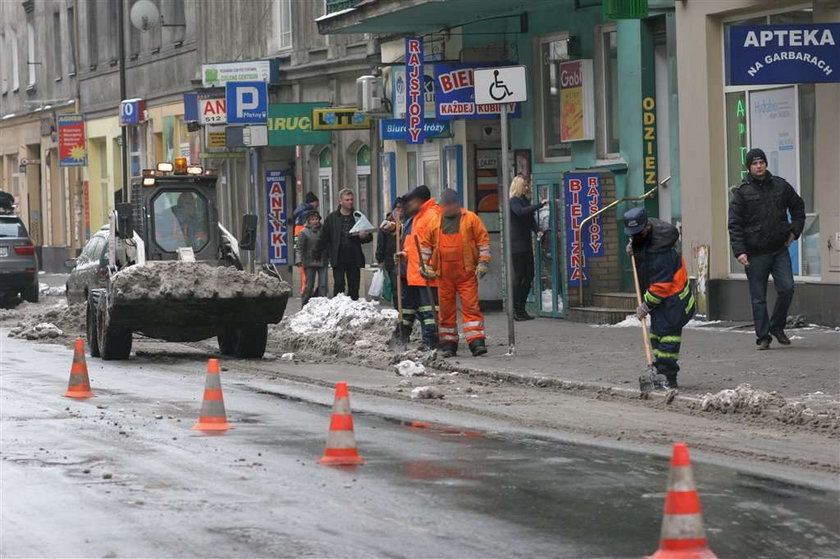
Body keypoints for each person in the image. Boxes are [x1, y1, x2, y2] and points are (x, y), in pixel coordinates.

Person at [728, 148, 805, 350]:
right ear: (749, 168)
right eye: (754, 163)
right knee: (758, 298)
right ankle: (763, 337)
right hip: (755, 254)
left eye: (761, 162)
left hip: (779, 249)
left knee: (787, 288)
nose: (759, 166)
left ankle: (777, 326)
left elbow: (798, 208)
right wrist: (740, 251)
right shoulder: (742, 193)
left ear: (766, 164)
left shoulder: (780, 186)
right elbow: (734, 225)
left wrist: (794, 232)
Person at [625, 207, 695, 389]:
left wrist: (645, 305)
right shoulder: (648, 237)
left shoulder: (661, 253)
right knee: (656, 337)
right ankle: (660, 371)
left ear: (647, 227)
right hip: (664, 303)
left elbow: (660, 287)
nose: (635, 237)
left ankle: (668, 377)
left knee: (668, 341)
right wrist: (635, 252)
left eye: (638, 234)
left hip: (674, 302)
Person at [419, 189, 490, 358]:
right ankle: (449, 344)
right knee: (446, 310)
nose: (448, 208)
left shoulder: (471, 219)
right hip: (443, 275)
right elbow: (425, 245)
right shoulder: (435, 222)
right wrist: (425, 266)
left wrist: (483, 262)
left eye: (451, 205)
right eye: (445, 205)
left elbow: (483, 241)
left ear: (458, 204)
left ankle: (476, 341)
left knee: (471, 307)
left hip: (466, 273)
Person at [394, 185, 440, 348]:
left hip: (426, 272)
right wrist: (404, 254)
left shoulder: (432, 215)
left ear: (420, 201)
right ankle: (402, 335)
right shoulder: (419, 216)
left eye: (412, 201)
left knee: (428, 309)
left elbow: (439, 245)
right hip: (414, 271)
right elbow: (414, 244)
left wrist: (432, 266)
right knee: (409, 307)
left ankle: (430, 340)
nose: (409, 205)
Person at [316, 188, 371, 300]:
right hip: (338, 257)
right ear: (340, 201)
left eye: (351, 199)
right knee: (339, 285)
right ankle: (339, 308)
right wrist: (317, 252)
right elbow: (324, 237)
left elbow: (369, 236)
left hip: (354, 257)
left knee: (354, 287)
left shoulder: (358, 217)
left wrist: (364, 236)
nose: (350, 202)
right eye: (347, 199)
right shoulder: (332, 218)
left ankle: (353, 310)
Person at [509, 174, 547, 321]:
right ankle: (515, 309)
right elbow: (521, 212)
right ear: (519, 186)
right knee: (519, 277)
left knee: (529, 275)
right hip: (516, 245)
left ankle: (521, 307)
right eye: (525, 185)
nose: (527, 187)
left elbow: (529, 218)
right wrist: (539, 205)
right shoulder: (514, 201)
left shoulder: (524, 200)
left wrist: (537, 229)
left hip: (525, 244)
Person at [295, 211, 328, 306]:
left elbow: (328, 244)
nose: (315, 221)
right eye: (312, 219)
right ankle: (305, 304)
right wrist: (298, 259)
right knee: (309, 286)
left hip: (322, 260)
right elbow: (299, 247)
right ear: (308, 221)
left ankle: (323, 305)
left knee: (323, 285)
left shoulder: (323, 231)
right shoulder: (303, 232)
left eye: (316, 219)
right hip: (309, 261)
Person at [376, 197, 404, 308]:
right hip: (391, 260)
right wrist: (380, 259)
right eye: (398, 208)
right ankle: (398, 310)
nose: (400, 211)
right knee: (396, 287)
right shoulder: (387, 224)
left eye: (402, 209)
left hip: (406, 260)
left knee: (404, 289)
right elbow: (380, 243)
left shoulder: (407, 223)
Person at [293, 192, 319, 296]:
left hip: (298, 242)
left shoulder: (299, 212)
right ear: (314, 202)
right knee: (306, 271)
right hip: (306, 245)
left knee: (303, 270)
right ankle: (306, 291)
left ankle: (305, 289)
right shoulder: (308, 213)